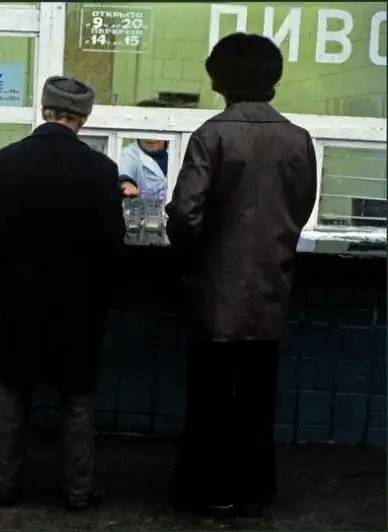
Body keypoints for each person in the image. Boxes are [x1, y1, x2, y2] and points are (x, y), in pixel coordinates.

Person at [165, 33, 317, 519]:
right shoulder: (298, 139)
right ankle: (253, 491)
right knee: (257, 395)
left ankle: (209, 491)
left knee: (210, 396)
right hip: (272, 287)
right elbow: (301, 207)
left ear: (219, 80)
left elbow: (185, 213)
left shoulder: (211, 135)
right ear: (273, 79)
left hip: (215, 292)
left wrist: (192, 256)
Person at [0, 75, 126, 511]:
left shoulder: (3, 162)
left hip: (22, 300)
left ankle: (1, 485)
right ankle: (79, 489)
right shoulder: (101, 170)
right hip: (78, 305)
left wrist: (8, 285)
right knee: (76, 400)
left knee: (13, 394)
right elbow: (112, 245)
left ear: (43, 110)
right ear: (83, 117)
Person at [117, 99, 173, 202]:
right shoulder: (129, 154)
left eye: (156, 129)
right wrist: (127, 184)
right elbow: (124, 174)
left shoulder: (177, 150)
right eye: (146, 129)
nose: (151, 139)